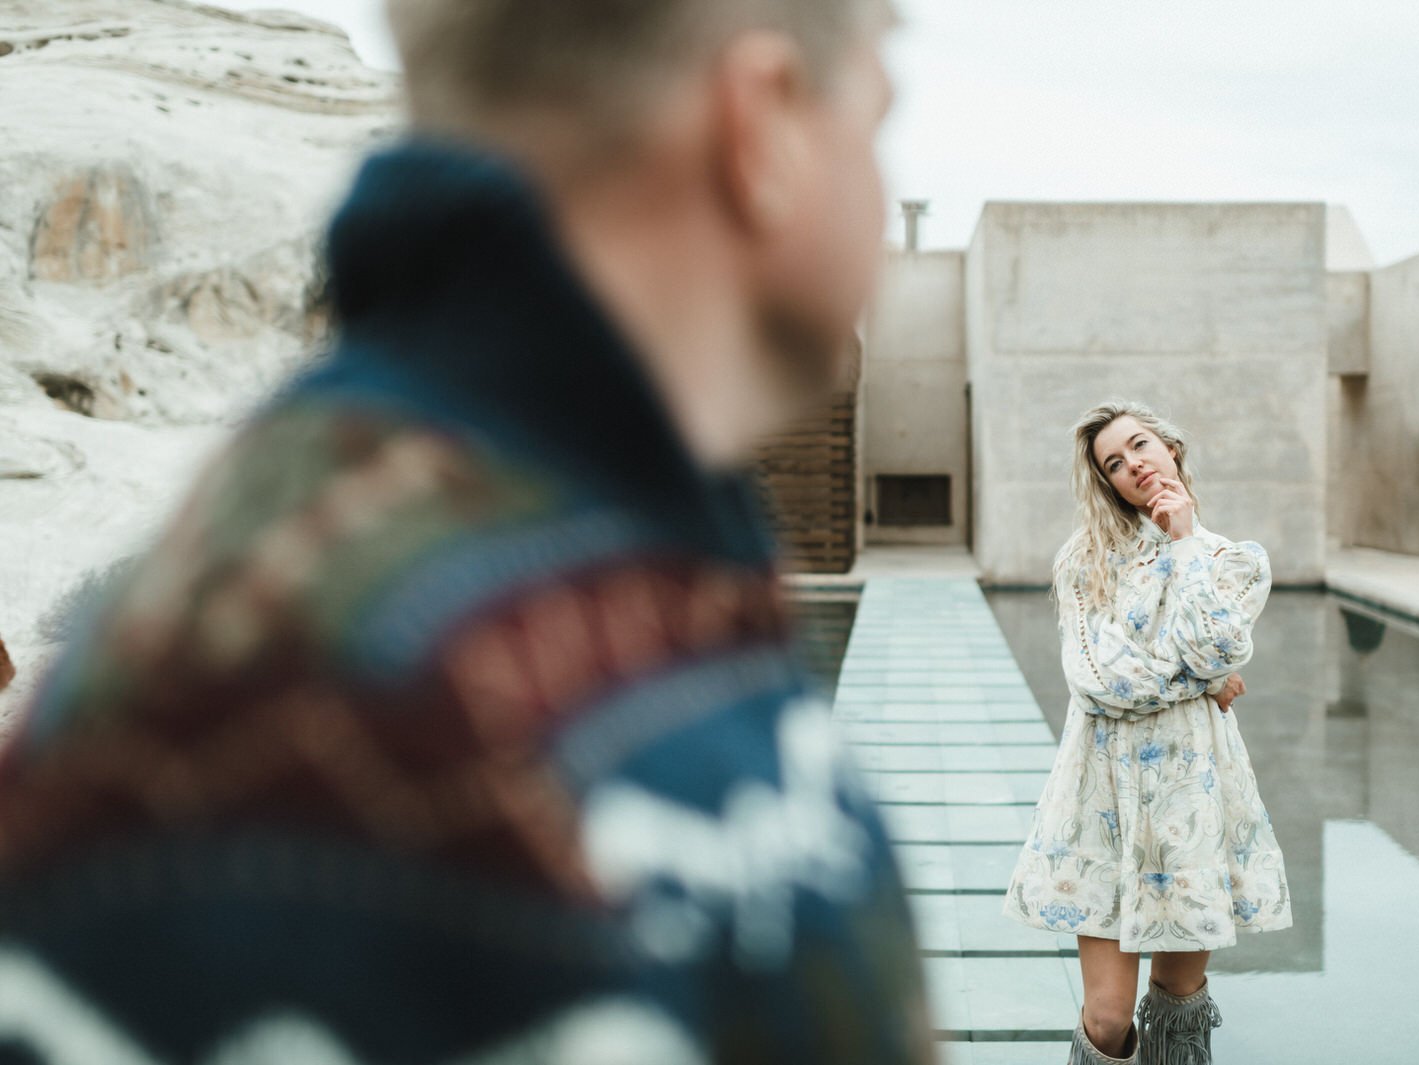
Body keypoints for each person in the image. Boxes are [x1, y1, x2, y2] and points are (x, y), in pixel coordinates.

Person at [0, 2, 934, 1063]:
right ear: (760, 127)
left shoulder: (579, 545)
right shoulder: (320, 716)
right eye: (876, 112)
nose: (883, 183)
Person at [1002, 400, 1292, 1065]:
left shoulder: (1234, 560)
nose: (1132, 463)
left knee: (1177, 1007)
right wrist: (1204, 677)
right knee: (1106, 1020)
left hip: (1189, 798)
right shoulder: (1085, 560)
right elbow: (1099, 675)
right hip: (1099, 794)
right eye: (1114, 462)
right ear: (1109, 483)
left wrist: (1185, 544)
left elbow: (1217, 646)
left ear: (1170, 448)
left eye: (1139, 445)